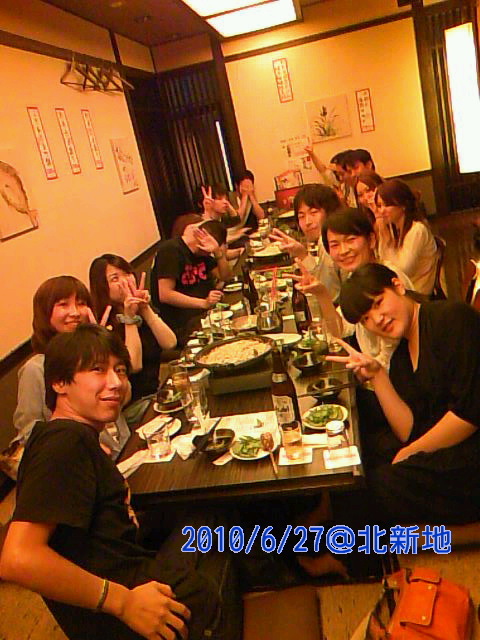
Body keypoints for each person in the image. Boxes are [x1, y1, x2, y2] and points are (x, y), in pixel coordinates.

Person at [0, 324, 242, 640]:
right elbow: (17, 559)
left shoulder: (71, 436)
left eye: (120, 370)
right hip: (124, 606)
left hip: (124, 568)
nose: (115, 383)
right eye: (97, 370)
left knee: (208, 514)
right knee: (210, 573)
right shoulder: (64, 442)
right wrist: (123, 602)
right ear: (59, 382)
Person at [332, 263, 480, 525]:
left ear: (398, 286)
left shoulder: (450, 318)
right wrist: (377, 374)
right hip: (448, 448)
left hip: (471, 450)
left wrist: (410, 452)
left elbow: (469, 414)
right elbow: (408, 430)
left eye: (378, 303)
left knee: (377, 485)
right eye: (366, 318)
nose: (377, 319)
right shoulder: (402, 351)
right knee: (364, 454)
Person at [12, 276, 129, 460]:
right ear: (45, 312)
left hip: (123, 446)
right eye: (63, 305)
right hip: (85, 459)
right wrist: (81, 445)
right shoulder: (35, 368)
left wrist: (101, 346)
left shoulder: (96, 351)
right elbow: (28, 431)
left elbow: (124, 397)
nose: (75, 312)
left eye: (81, 303)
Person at [293, 208, 413, 369]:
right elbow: (340, 330)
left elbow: (390, 358)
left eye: (350, 240)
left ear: (371, 240)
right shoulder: (355, 278)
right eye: (335, 245)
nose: (343, 251)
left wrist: (366, 370)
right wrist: (322, 294)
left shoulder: (386, 277)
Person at [89, 254, 177, 404]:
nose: (126, 281)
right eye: (115, 279)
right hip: (132, 405)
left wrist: (145, 309)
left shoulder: (140, 311)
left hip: (156, 395)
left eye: (127, 274)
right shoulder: (104, 324)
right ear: (102, 287)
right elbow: (134, 366)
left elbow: (170, 343)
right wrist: (129, 318)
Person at [151, 220, 231, 344]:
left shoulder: (203, 253)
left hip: (206, 316)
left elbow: (225, 276)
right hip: (183, 325)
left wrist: (218, 253)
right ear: (201, 236)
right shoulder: (170, 250)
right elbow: (165, 294)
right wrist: (203, 303)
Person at [270, 183, 343, 300]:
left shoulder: (329, 242)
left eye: (313, 212)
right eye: (301, 216)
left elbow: (329, 295)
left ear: (329, 212)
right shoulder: (326, 238)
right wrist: (302, 254)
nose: (307, 222)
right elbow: (323, 282)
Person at [375, 179, 437, 295]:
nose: (381, 211)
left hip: (416, 291)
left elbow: (403, 271)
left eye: (386, 205)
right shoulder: (394, 228)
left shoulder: (417, 230)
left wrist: (387, 239)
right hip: (401, 287)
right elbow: (383, 261)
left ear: (402, 205)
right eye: (379, 206)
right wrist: (384, 236)